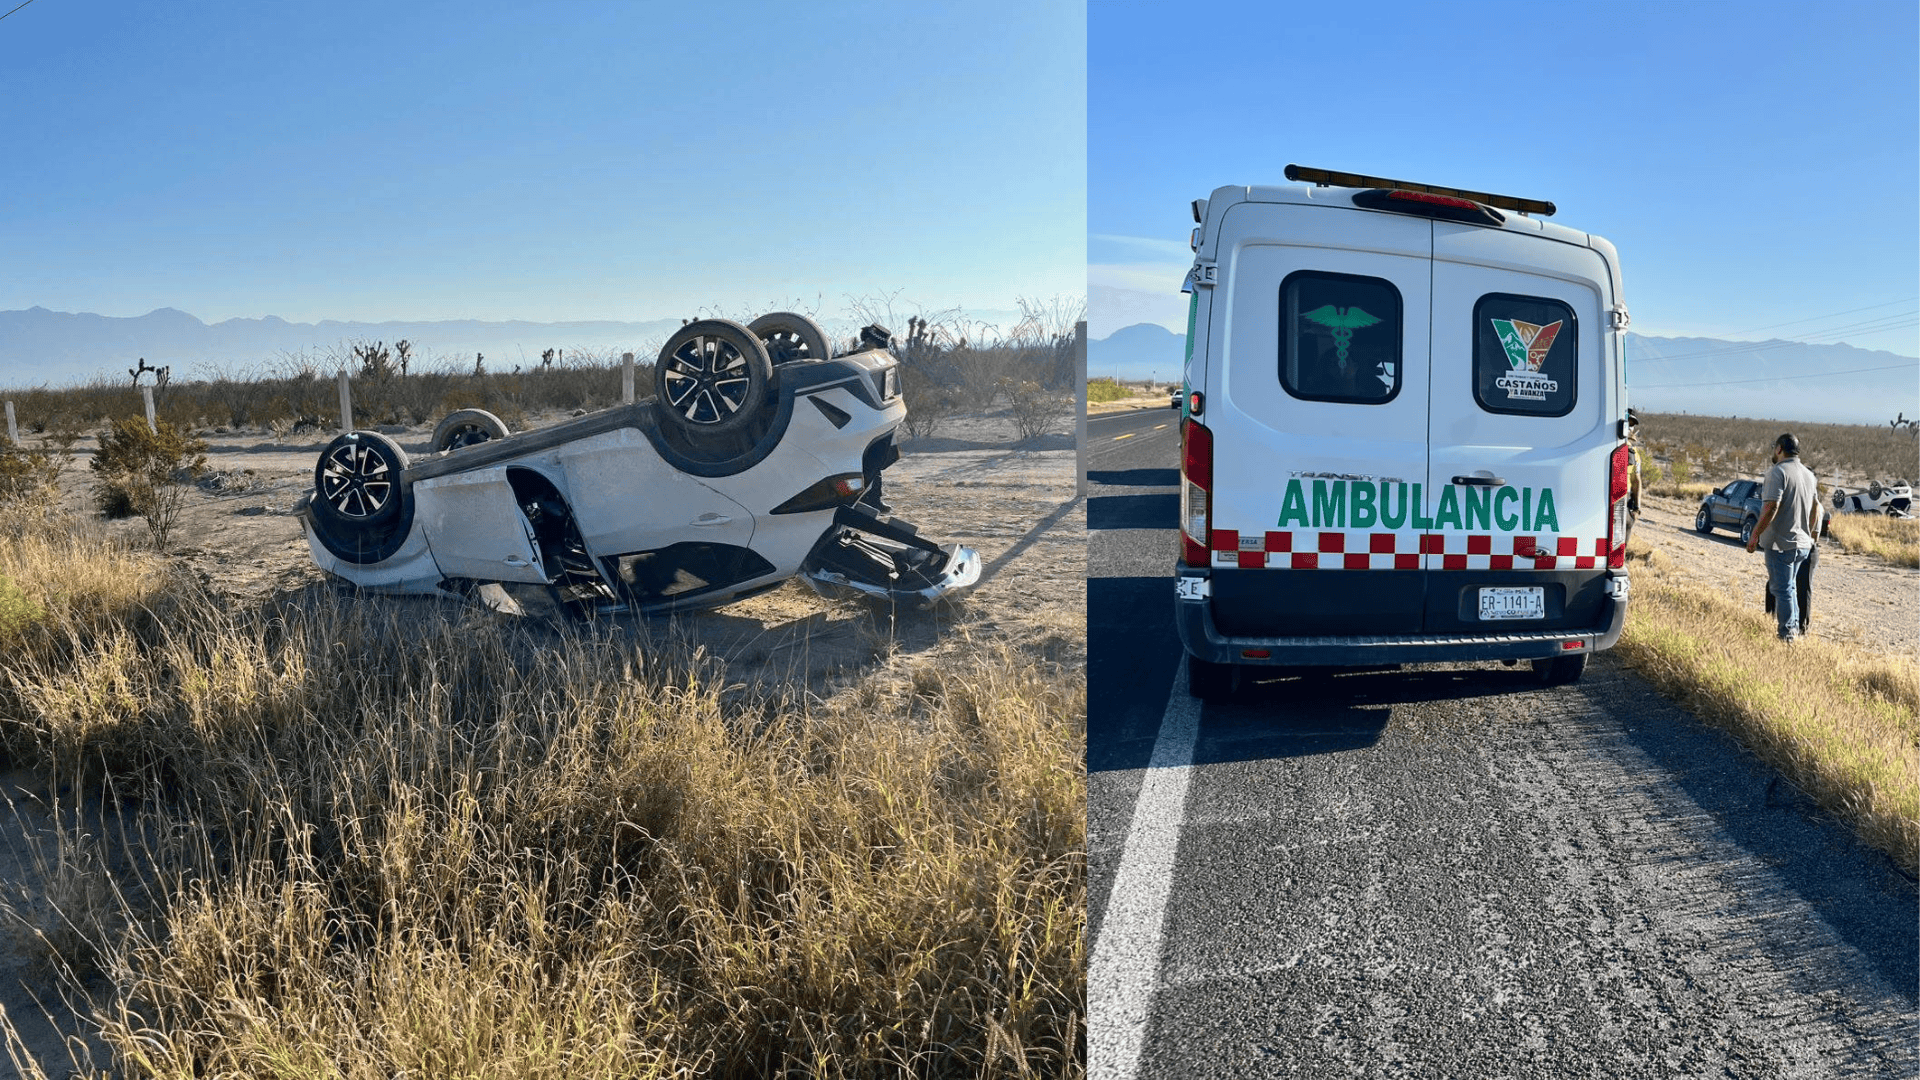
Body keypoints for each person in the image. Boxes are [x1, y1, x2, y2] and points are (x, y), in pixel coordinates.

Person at [1745, 433, 1822, 642]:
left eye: (1774, 448)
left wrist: (1754, 535)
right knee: (1790, 588)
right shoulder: (1808, 475)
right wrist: (1809, 532)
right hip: (1802, 544)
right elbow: (1816, 508)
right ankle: (1794, 631)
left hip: (1781, 544)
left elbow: (1771, 506)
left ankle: (1787, 636)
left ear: (1779, 449)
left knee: (1782, 589)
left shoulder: (1777, 472)